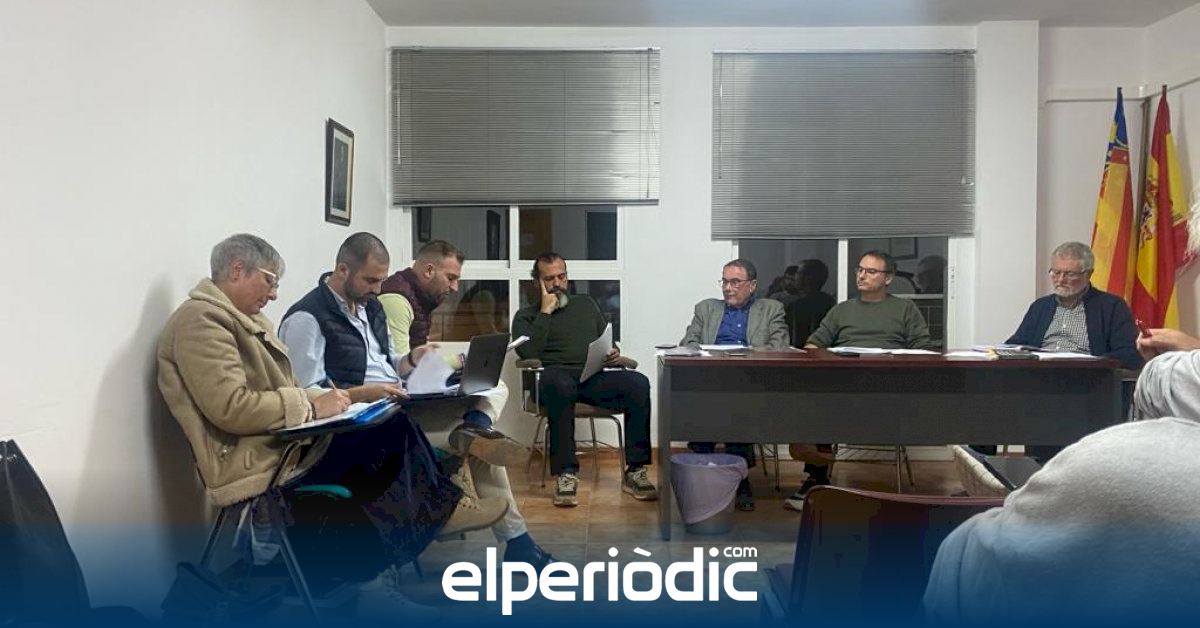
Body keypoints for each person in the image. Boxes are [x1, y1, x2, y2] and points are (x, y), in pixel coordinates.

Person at [157, 234, 482, 619]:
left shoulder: (243, 319)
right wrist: (311, 404)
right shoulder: (201, 322)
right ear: (236, 270)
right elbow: (231, 407)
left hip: (280, 441)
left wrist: (331, 402)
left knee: (392, 425)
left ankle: (408, 538)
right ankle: (420, 529)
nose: (274, 294)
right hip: (254, 457)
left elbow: (284, 388)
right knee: (380, 442)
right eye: (270, 280)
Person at [279, 234, 551, 568]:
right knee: (478, 447)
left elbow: (384, 362)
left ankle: (475, 440)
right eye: (371, 280)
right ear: (342, 270)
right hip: (362, 425)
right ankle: (471, 515)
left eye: (381, 280)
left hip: (395, 405)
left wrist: (410, 360)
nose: (378, 289)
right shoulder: (308, 318)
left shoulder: (369, 307)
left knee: (488, 403)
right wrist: (366, 393)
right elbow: (309, 395)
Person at [922, 352, 1200, 626]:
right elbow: (1017, 345)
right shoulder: (1042, 312)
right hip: (1049, 392)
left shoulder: (1107, 461)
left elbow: (1126, 356)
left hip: (1083, 392)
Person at [790, 250, 935, 510]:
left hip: (888, 387)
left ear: (888, 278)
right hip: (843, 385)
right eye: (860, 269)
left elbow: (922, 348)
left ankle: (817, 467)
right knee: (815, 401)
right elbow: (814, 344)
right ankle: (816, 477)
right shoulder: (842, 310)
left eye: (871, 271)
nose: (862, 275)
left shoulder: (905, 309)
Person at [512, 252, 656, 507]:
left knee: (638, 384)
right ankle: (566, 473)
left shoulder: (585, 305)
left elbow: (605, 341)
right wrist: (545, 313)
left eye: (561, 276)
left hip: (590, 378)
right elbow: (528, 353)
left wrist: (613, 352)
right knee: (560, 385)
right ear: (537, 282)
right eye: (549, 279)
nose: (557, 283)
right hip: (553, 380)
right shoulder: (526, 316)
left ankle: (635, 470)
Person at [679, 258, 788, 511]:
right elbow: (689, 343)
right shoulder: (706, 308)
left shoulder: (771, 309)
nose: (728, 288)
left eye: (735, 282)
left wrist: (745, 356)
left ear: (752, 285)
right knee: (708, 397)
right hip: (712, 379)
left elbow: (779, 347)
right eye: (725, 282)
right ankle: (707, 473)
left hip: (752, 382)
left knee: (736, 400)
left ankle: (735, 478)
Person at [1006, 241, 1141, 369]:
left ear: (1088, 274)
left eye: (1069, 274)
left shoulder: (1112, 307)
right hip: (1039, 374)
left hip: (1087, 377)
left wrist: (1092, 364)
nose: (1060, 280)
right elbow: (1016, 345)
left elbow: (1128, 354)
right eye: (1056, 272)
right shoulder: (1041, 306)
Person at [784, 259, 837, 348]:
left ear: (808, 277)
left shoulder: (800, 305)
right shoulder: (830, 301)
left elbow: (796, 340)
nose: (795, 277)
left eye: (798, 272)